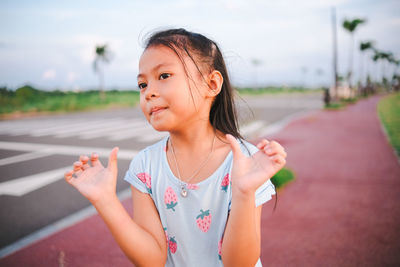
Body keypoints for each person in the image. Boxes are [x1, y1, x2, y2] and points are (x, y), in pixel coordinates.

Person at [64, 28, 287, 267]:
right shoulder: (146, 165)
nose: (149, 92)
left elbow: (240, 263)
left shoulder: (245, 163)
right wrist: (105, 200)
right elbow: (152, 259)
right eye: (142, 84)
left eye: (164, 76)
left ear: (211, 84)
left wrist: (243, 193)